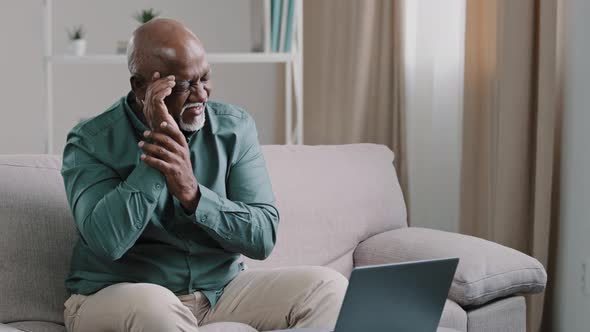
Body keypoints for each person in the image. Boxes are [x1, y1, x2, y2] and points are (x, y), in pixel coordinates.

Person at [60, 18, 347, 332]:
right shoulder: (91, 140)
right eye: (183, 85)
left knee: (329, 288)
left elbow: (263, 237)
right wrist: (160, 153)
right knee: (156, 307)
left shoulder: (233, 128)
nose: (201, 95)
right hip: (119, 294)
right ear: (141, 87)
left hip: (220, 292)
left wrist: (194, 196)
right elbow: (107, 243)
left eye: (205, 78)